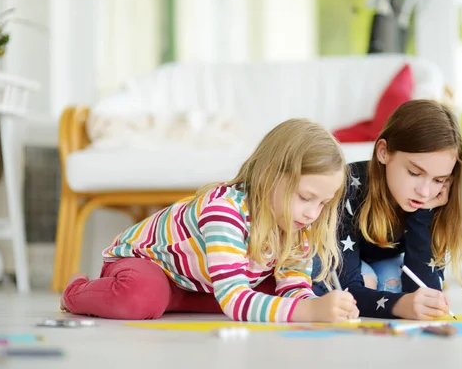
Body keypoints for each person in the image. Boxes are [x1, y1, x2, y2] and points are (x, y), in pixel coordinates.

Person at [60, 118, 359, 323]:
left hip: (202, 285)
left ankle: (170, 303)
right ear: (269, 175)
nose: (313, 214)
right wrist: (308, 312)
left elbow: (292, 287)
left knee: (271, 293)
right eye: (306, 197)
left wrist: (313, 305)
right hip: (150, 268)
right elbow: (233, 299)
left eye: (323, 203)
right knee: (140, 298)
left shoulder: (298, 224)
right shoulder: (224, 210)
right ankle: (77, 291)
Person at [312, 99, 462, 320]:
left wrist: (422, 216)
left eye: (439, 179)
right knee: (370, 282)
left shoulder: (434, 200)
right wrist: (401, 304)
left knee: (391, 279)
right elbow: (346, 288)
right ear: (383, 152)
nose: (424, 191)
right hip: (341, 267)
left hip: (379, 267)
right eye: (414, 173)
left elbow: (426, 293)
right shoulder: (348, 187)